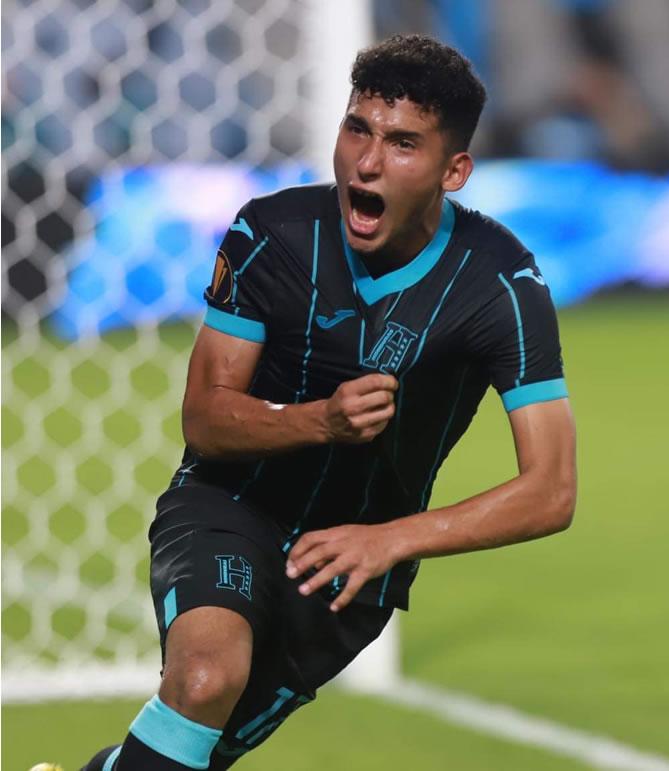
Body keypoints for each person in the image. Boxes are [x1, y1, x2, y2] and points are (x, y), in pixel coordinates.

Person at [79, 34, 577, 771]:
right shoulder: (273, 234)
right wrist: (322, 420)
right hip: (232, 504)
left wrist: (390, 540)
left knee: (189, 755)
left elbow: (552, 490)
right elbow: (205, 417)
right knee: (205, 680)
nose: (367, 163)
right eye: (357, 129)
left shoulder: (499, 285)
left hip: (352, 569)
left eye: (403, 144)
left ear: (454, 171)